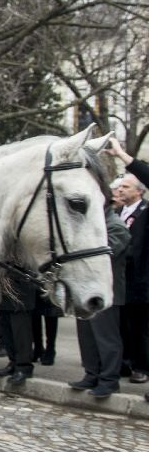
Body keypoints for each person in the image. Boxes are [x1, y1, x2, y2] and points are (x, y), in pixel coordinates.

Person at [70, 204, 131, 397]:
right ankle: (92, 374)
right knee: (87, 336)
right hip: (87, 289)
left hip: (106, 292)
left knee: (106, 339)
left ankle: (109, 380)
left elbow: (104, 253)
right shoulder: (93, 225)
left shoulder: (116, 226)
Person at [105, 138, 149, 384]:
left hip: (141, 279)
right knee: (126, 327)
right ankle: (127, 363)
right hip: (125, 278)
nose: (120, 190)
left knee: (140, 328)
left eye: (126, 187)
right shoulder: (119, 210)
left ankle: (141, 366)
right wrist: (122, 156)